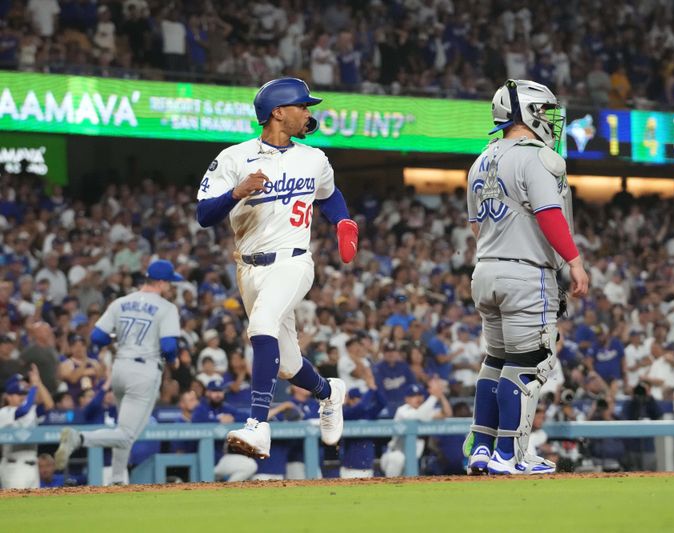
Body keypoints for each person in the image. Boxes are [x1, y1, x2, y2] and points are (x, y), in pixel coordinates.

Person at [195, 77, 358, 459]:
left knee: (262, 325)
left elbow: (330, 195)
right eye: (302, 106)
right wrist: (236, 192)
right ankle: (329, 392)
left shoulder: (314, 158)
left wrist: (343, 222)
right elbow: (204, 214)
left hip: (294, 261)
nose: (308, 112)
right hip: (249, 268)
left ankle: (257, 426)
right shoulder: (234, 157)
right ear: (278, 112)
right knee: (286, 365)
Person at [464, 79, 589, 475]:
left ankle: (482, 448)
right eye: (546, 110)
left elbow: (474, 226)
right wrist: (574, 260)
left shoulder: (480, 159)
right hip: (524, 273)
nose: (551, 118)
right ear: (530, 113)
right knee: (531, 362)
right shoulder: (536, 157)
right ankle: (509, 455)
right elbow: (549, 213)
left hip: (485, 270)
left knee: (497, 361)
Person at [54, 260, 183, 485]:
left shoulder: (120, 302)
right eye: (170, 282)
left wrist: (123, 335)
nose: (171, 287)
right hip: (144, 371)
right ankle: (79, 438)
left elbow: (97, 338)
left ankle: (116, 480)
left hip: (120, 369)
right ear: (161, 282)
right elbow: (170, 347)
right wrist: (173, 360)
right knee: (127, 435)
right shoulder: (167, 308)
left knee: (122, 429)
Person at [380, 380, 452, 478]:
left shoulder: (425, 410)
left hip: (413, 458)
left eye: (420, 395)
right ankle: (388, 487)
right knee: (397, 458)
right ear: (406, 399)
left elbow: (447, 413)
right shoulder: (402, 411)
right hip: (393, 455)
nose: (418, 398)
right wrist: (434, 396)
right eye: (413, 396)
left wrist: (440, 395)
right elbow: (419, 416)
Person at [0, 368, 53, 489]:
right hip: (13, 465)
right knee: (15, 504)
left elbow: (48, 405)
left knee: (33, 506)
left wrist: (38, 382)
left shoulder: (31, 410)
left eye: (24, 394)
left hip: (33, 466)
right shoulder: (4, 412)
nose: (22, 397)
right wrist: (33, 388)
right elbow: (23, 410)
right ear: (7, 397)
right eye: (18, 394)